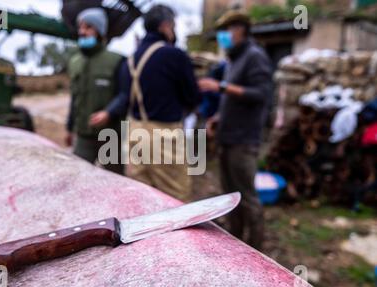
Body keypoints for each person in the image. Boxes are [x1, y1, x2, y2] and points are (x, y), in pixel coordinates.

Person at [90, 5, 201, 202]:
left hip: (134, 132)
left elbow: (125, 97)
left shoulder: (129, 61)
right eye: (173, 25)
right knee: (175, 197)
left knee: (143, 196)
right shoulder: (174, 56)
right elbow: (192, 98)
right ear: (165, 26)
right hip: (165, 136)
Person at [198, 9, 273, 250]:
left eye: (226, 31)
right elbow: (234, 97)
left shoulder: (255, 56)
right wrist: (218, 117)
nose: (223, 36)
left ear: (240, 29)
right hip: (228, 136)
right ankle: (237, 241)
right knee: (231, 195)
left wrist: (220, 86)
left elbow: (261, 94)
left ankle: (256, 247)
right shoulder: (234, 59)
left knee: (247, 196)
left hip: (244, 139)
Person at [66, 8, 125, 175]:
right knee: (77, 176)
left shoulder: (116, 61)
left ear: (100, 31)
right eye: (81, 27)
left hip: (109, 136)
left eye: (88, 27)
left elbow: (124, 95)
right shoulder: (75, 62)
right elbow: (74, 98)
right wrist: (69, 128)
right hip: (83, 136)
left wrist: (109, 112)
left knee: (116, 181)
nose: (82, 32)